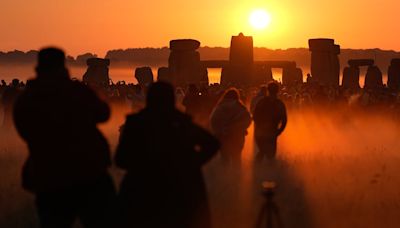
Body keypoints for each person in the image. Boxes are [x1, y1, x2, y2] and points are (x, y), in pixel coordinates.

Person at [13, 48, 116, 228]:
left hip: (48, 172)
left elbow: (24, 130)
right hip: (88, 170)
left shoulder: (27, 99)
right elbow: (104, 113)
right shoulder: (77, 91)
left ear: (39, 66)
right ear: (62, 65)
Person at [115, 82, 219, 228]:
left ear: (149, 98)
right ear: (171, 99)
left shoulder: (136, 123)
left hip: (142, 190)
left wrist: (142, 165)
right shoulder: (182, 123)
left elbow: (121, 159)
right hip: (180, 189)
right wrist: (191, 163)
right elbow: (212, 143)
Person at [210, 88, 251, 165]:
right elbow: (248, 119)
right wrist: (241, 128)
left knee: (224, 158)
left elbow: (213, 120)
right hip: (237, 136)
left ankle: (225, 175)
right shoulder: (240, 107)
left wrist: (219, 131)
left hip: (222, 137)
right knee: (236, 158)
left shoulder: (220, 107)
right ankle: (237, 175)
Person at [253, 82, 287, 161]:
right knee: (270, 155)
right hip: (272, 131)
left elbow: (255, 116)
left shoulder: (261, 102)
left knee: (262, 151)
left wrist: (259, 126)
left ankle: (257, 169)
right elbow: (284, 119)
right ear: (278, 91)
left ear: (268, 90)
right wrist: (279, 131)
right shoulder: (280, 104)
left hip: (261, 131)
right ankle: (268, 170)